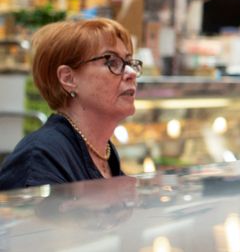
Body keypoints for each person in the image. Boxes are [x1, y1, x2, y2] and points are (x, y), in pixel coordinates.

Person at [0, 18, 141, 190]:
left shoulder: (105, 153)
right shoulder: (43, 156)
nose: (131, 73)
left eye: (129, 62)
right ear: (68, 78)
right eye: (111, 61)